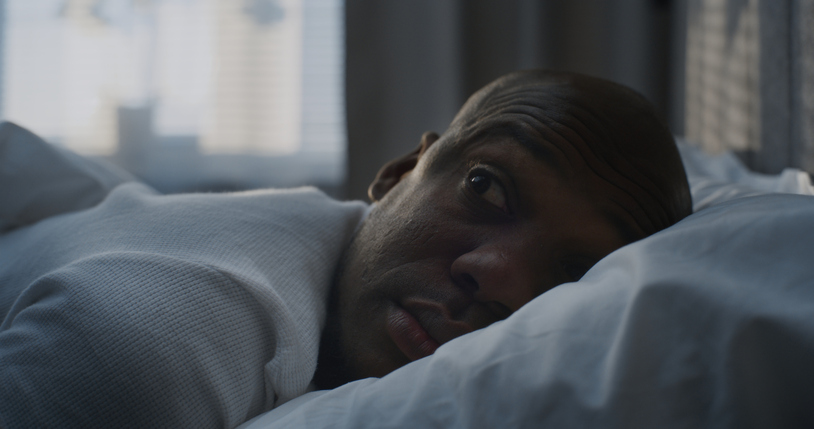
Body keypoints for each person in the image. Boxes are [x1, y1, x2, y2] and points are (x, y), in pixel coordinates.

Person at [0, 70, 691, 428]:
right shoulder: (153, 346)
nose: (498, 277)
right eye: (487, 187)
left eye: (572, 274)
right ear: (397, 174)